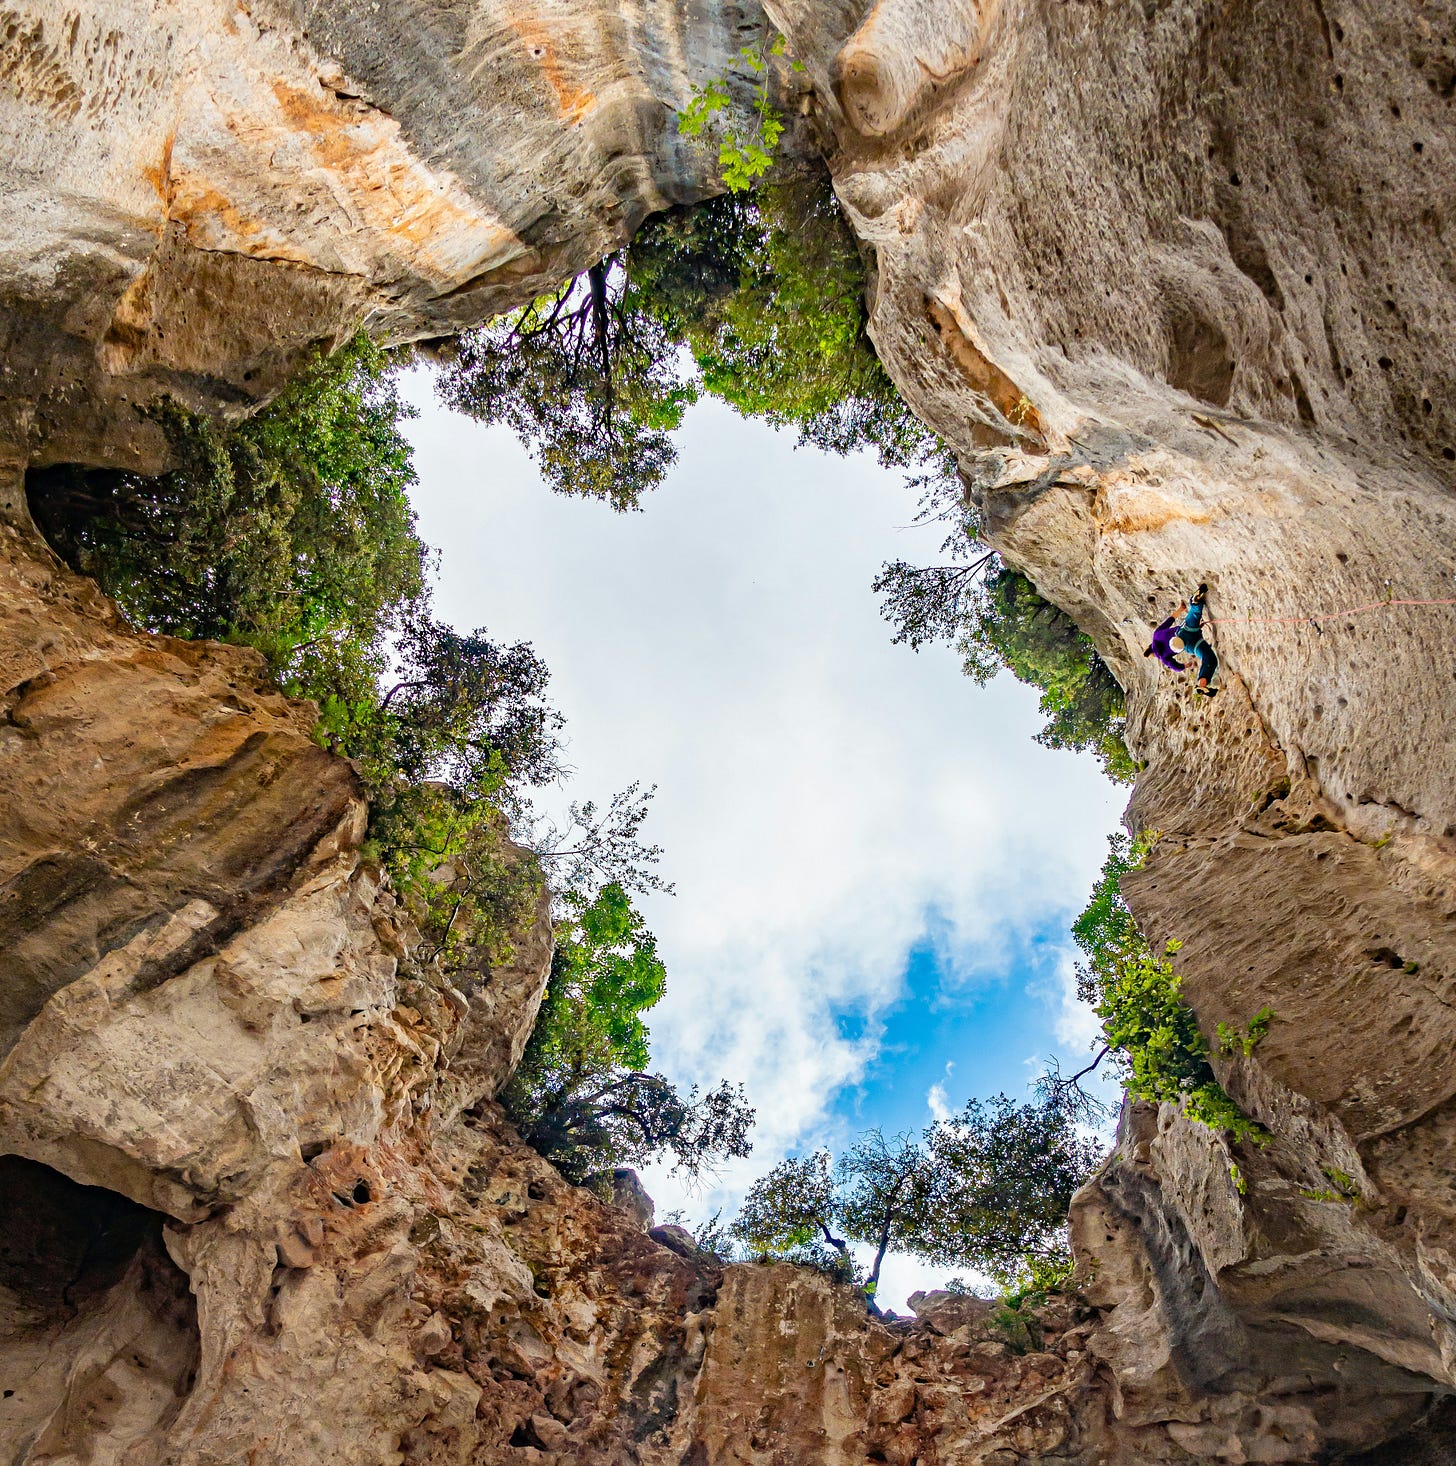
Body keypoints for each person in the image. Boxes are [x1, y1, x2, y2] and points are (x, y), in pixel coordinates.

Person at [1144, 583, 1219, 696]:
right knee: (1194, 612)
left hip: (1190, 645)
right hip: (1184, 631)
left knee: (1209, 658)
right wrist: (1180, 609)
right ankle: (1195, 601)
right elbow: (1170, 620)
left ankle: (1202, 684)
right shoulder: (1156, 635)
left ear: (1153, 653)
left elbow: (1176, 667)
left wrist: (1185, 666)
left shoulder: (1163, 657)